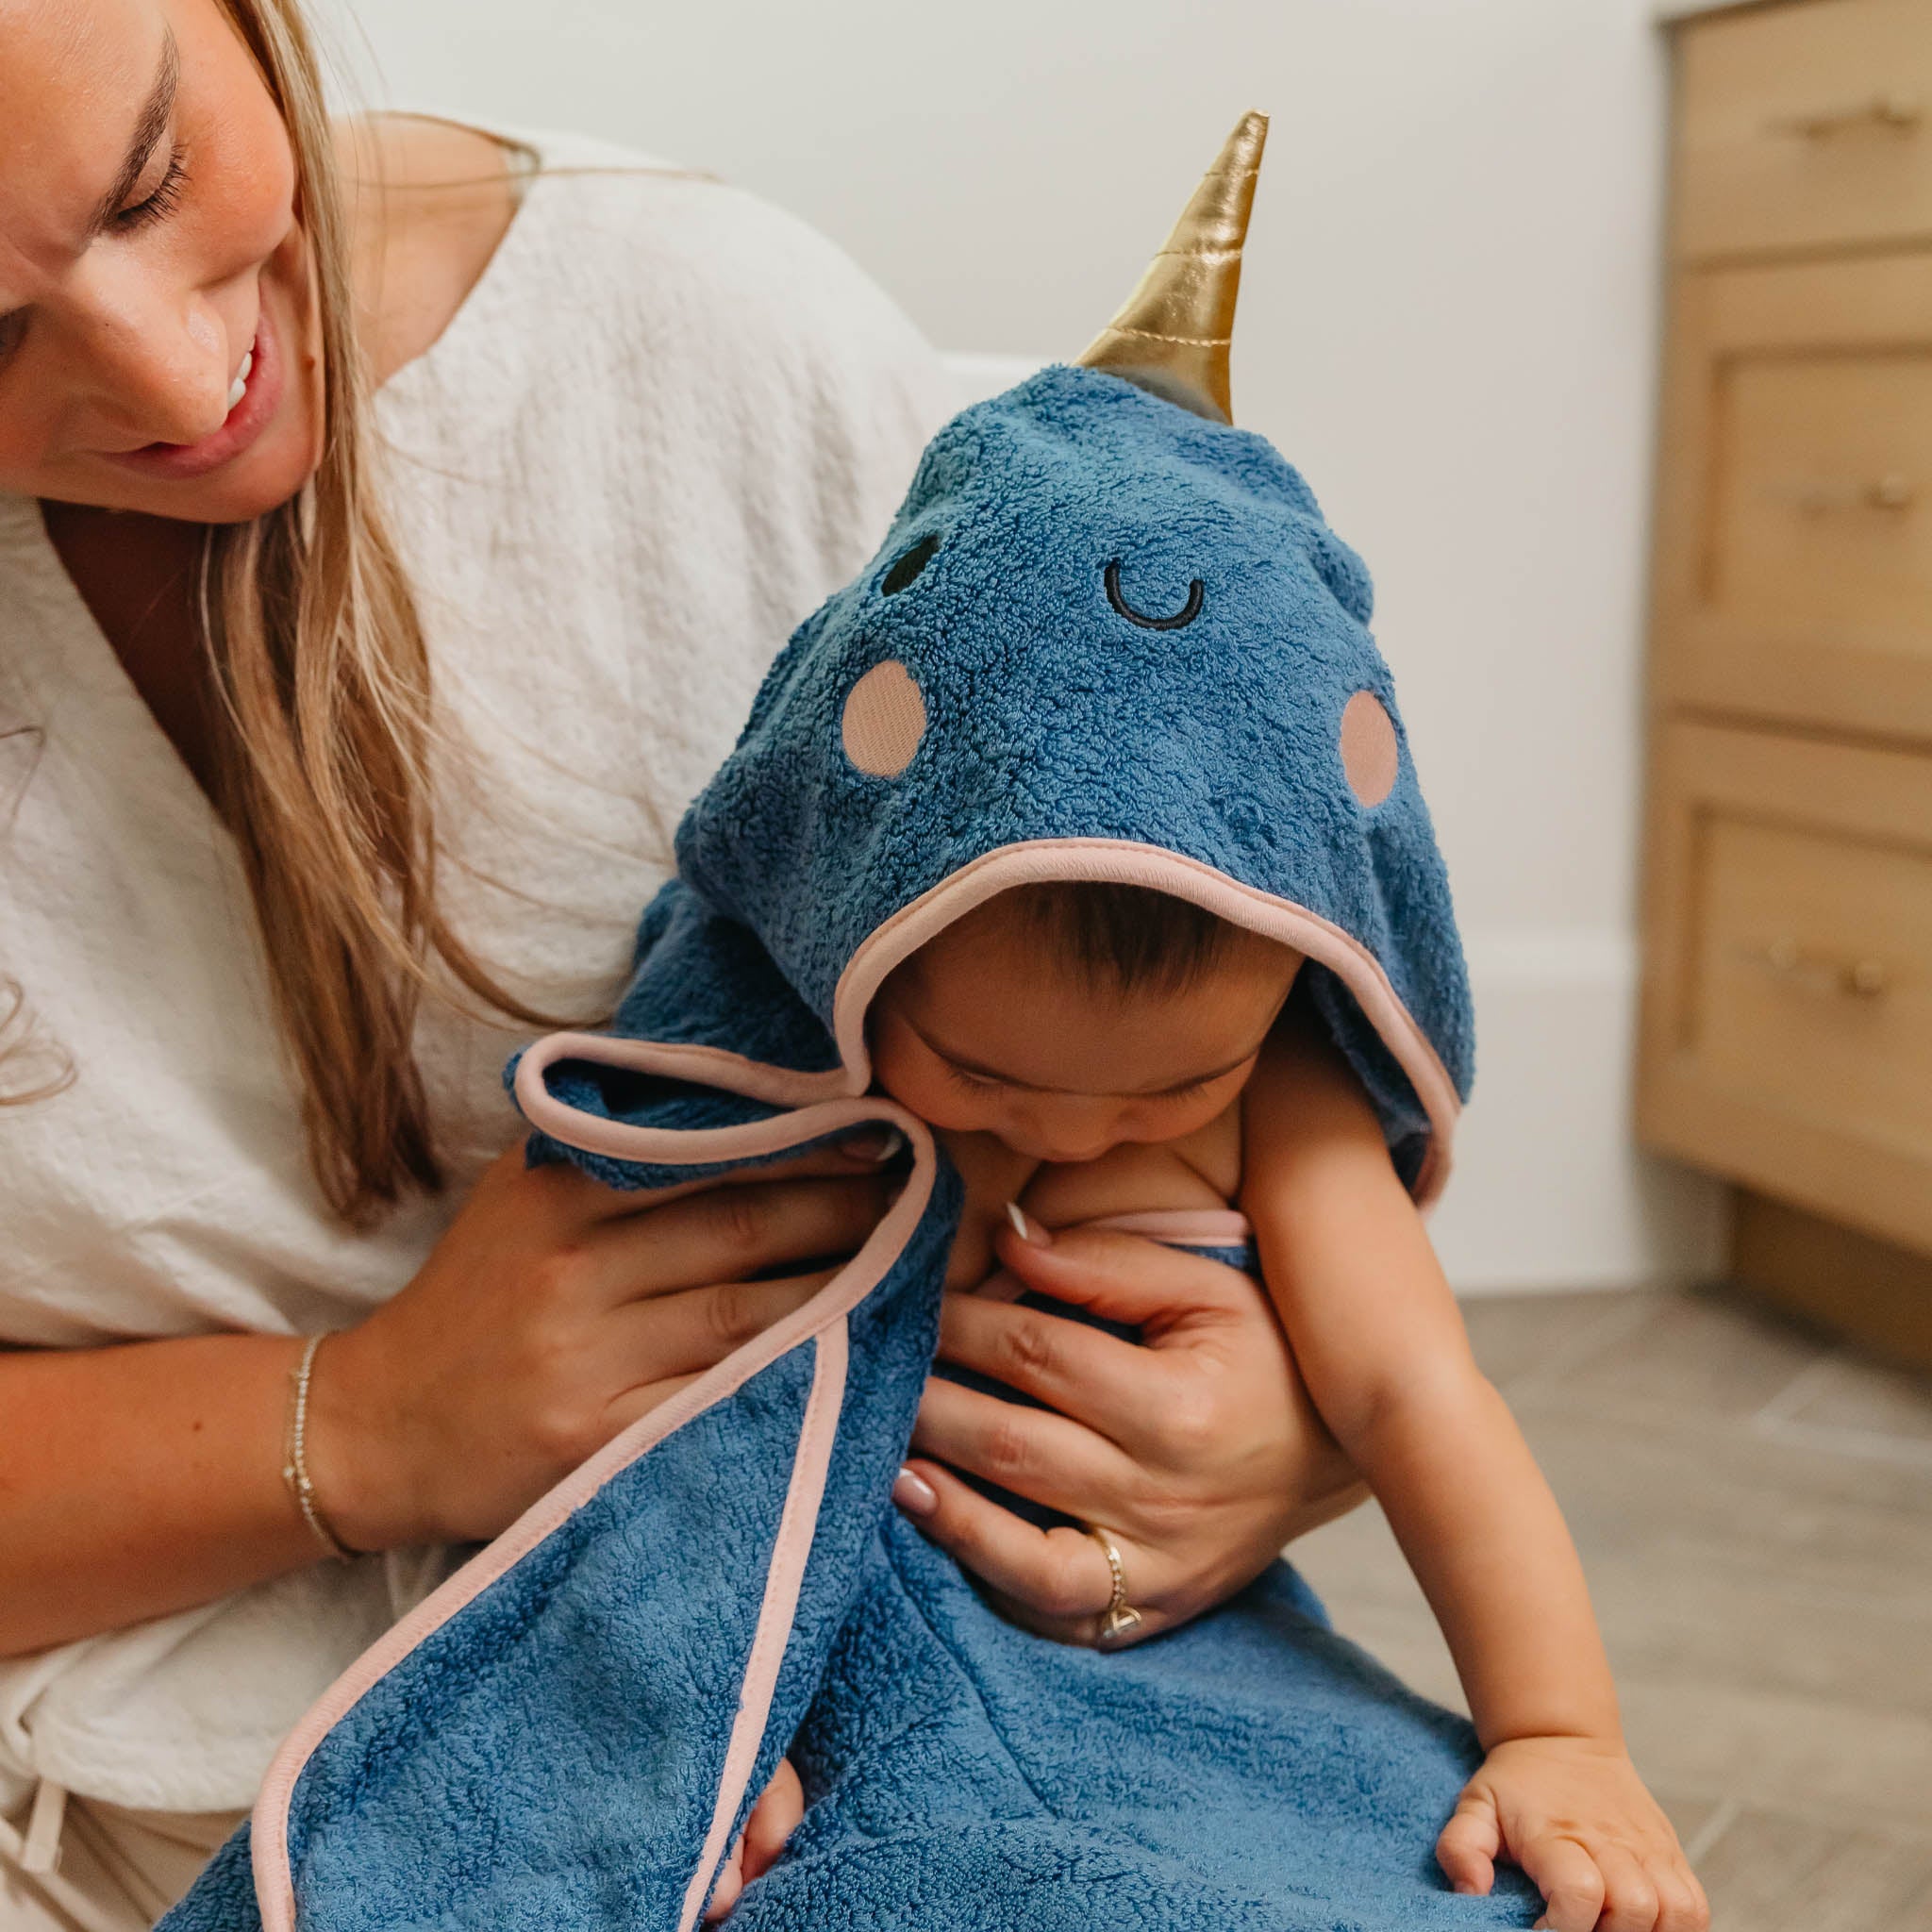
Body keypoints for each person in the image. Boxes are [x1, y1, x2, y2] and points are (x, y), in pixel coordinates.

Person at [0, 4, 1360, 1924]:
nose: (166, 374)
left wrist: (1299, 1412)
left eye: (154, 178)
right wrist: (371, 1418)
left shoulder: (719, 345)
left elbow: (1198, 983)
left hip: (859, 1663)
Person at [869, 882, 1709, 1932]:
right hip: (848, 1659)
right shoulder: (785, 1059)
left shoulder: (1282, 1089)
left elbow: (1412, 1391)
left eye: (1180, 1083)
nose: (1072, 1130)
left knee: (1457, 1885)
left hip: (1175, 1654)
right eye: (978, 1073)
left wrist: (1560, 1736)